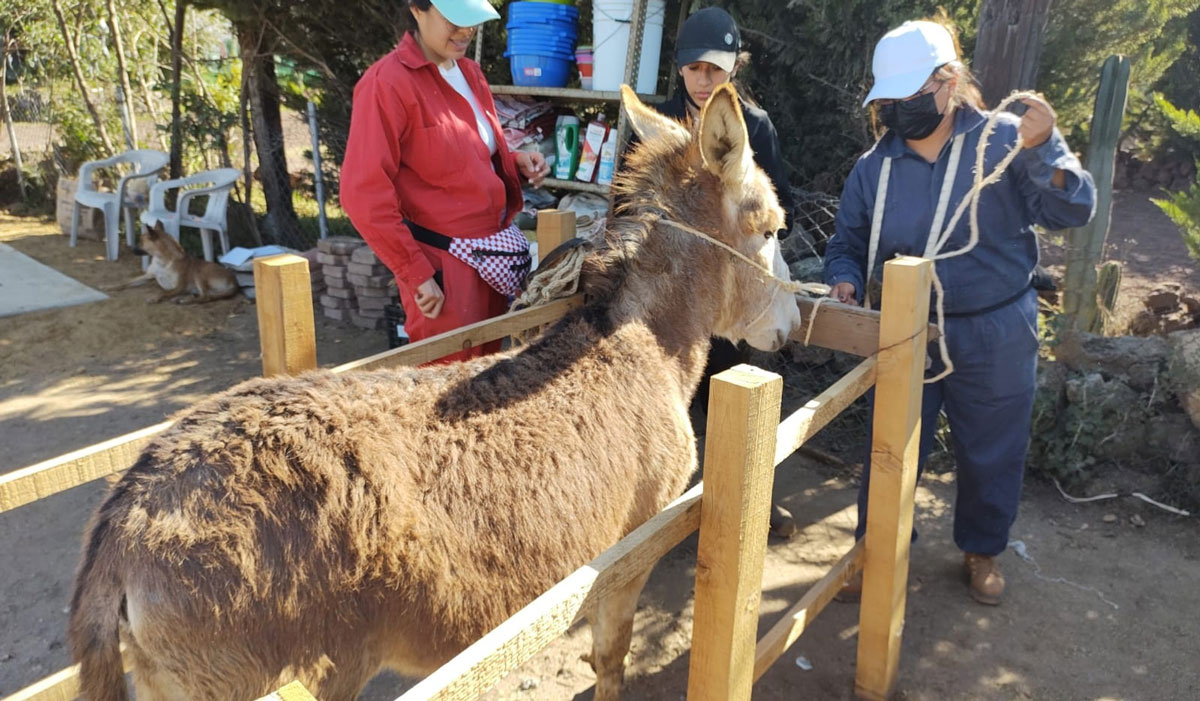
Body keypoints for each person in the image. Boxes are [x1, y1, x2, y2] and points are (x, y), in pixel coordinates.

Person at [824, 19, 1096, 604]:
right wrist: (844, 282)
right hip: (905, 329)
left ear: (948, 83)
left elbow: (1072, 211)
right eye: (889, 100)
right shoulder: (876, 166)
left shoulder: (1006, 140)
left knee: (992, 447)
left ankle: (982, 550)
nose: (897, 110)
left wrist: (1047, 148)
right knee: (889, 446)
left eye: (909, 96)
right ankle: (878, 548)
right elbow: (846, 242)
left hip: (997, 327)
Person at [652, 6, 799, 537]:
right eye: (693, 68)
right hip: (670, 298)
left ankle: (751, 500)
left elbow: (782, 207)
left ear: (735, 67)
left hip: (732, 297)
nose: (702, 79)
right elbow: (627, 214)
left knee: (732, 402)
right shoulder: (660, 122)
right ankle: (662, 514)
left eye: (714, 69)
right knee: (665, 404)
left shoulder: (755, 127)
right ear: (680, 69)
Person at [341, 0, 549, 362]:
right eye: (455, 19)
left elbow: (463, 155)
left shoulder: (470, 73)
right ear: (417, 9)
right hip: (443, 267)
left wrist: (512, 162)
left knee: (491, 376)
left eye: (473, 21)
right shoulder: (385, 84)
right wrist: (416, 273)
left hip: (492, 254)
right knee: (446, 386)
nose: (466, 31)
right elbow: (363, 194)